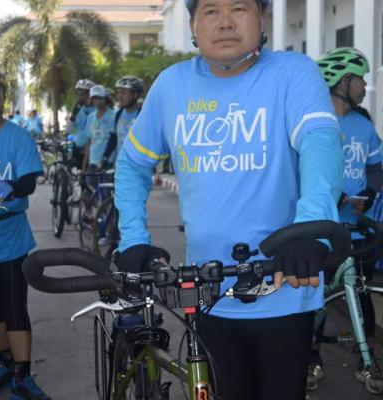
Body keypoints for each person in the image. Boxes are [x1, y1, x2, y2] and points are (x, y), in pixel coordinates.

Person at [114, 0, 344, 398]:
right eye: (210, 11)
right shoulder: (171, 85)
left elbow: (319, 142)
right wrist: (133, 237)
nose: (224, 23)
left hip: (283, 289)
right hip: (207, 292)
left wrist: (310, 227)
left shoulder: (293, 72)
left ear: (262, 19)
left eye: (239, 8)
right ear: (192, 24)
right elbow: (133, 164)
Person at [308, 48, 383, 394]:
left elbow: (376, 167)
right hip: (322, 229)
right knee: (317, 297)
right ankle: (312, 356)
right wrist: (332, 196)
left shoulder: (363, 125)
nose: (365, 85)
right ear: (342, 81)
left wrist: (368, 193)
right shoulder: (316, 121)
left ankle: (366, 359)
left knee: (361, 291)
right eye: (360, 79)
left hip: (356, 227)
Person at [0, 64, 50, 399]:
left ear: (3, 97)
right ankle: (5, 365)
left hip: (10, 238)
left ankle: (22, 376)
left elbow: (28, 182)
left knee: (13, 308)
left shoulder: (18, 136)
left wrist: (8, 185)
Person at [102, 76, 144, 164]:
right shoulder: (118, 114)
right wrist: (105, 157)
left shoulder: (143, 116)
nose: (119, 96)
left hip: (139, 166)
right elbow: (113, 138)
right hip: (121, 165)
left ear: (135, 95)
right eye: (119, 92)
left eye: (124, 93)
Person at [84, 84, 117, 185]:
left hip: (108, 161)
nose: (97, 101)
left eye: (99, 98)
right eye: (94, 98)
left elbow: (115, 139)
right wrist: (85, 163)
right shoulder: (90, 117)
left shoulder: (114, 115)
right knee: (90, 188)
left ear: (105, 99)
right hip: (93, 160)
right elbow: (89, 141)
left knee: (106, 190)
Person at [66, 79, 95, 169]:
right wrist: (73, 114)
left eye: (84, 94)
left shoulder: (97, 110)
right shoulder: (79, 109)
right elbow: (68, 129)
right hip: (78, 147)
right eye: (79, 94)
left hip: (90, 150)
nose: (81, 97)